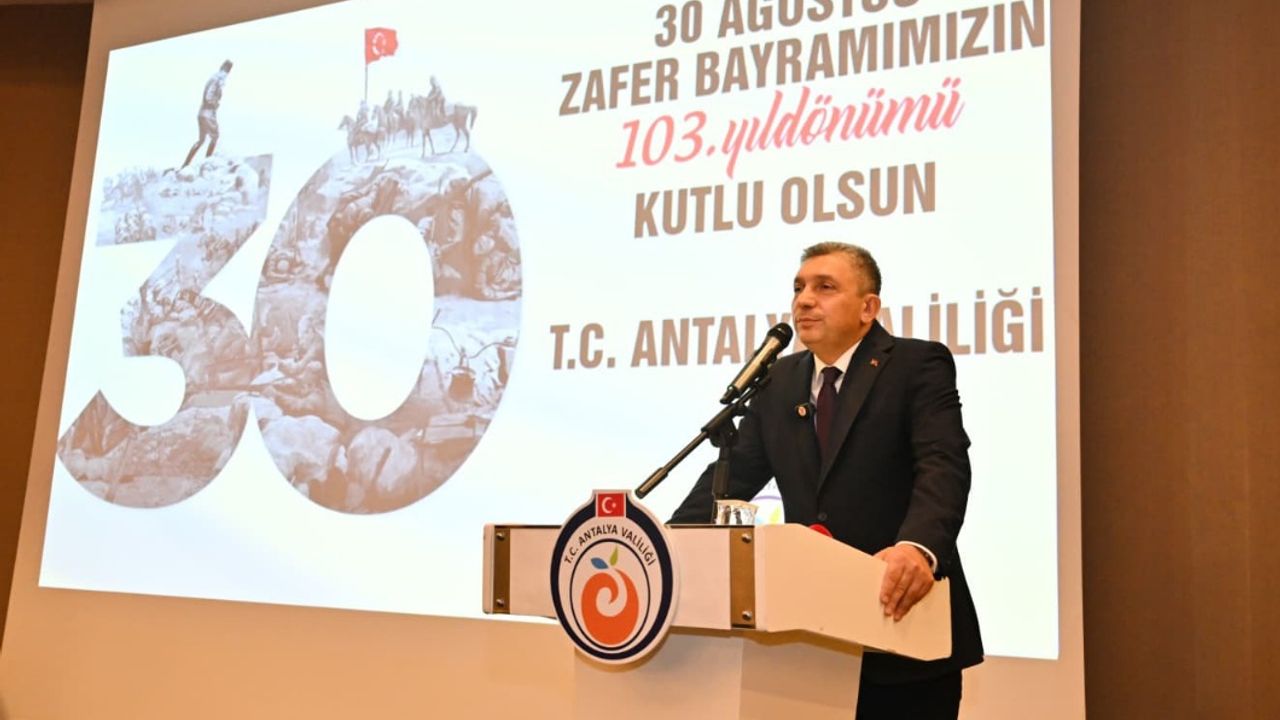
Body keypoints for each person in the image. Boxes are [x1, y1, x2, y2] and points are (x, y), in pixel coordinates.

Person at [670, 242, 983, 720]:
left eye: (825, 287)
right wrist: (669, 543)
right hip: (810, 644)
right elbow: (732, 477)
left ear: (868, 307)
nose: (804, 300)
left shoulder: (915, 364)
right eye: (798, 288)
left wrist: (918, 547)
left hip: (900, 626)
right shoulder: (778, 380)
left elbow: (943, 463)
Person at [182, 60, 233, 170]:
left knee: (201, 140)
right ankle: (207, 163)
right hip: (208, 114)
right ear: (225, 69)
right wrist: (215, 104)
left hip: (202, 114)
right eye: (228, 70)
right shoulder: (217, 80)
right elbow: (208, 97)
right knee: (215, 137)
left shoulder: (213, 78)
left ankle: (185, 164)